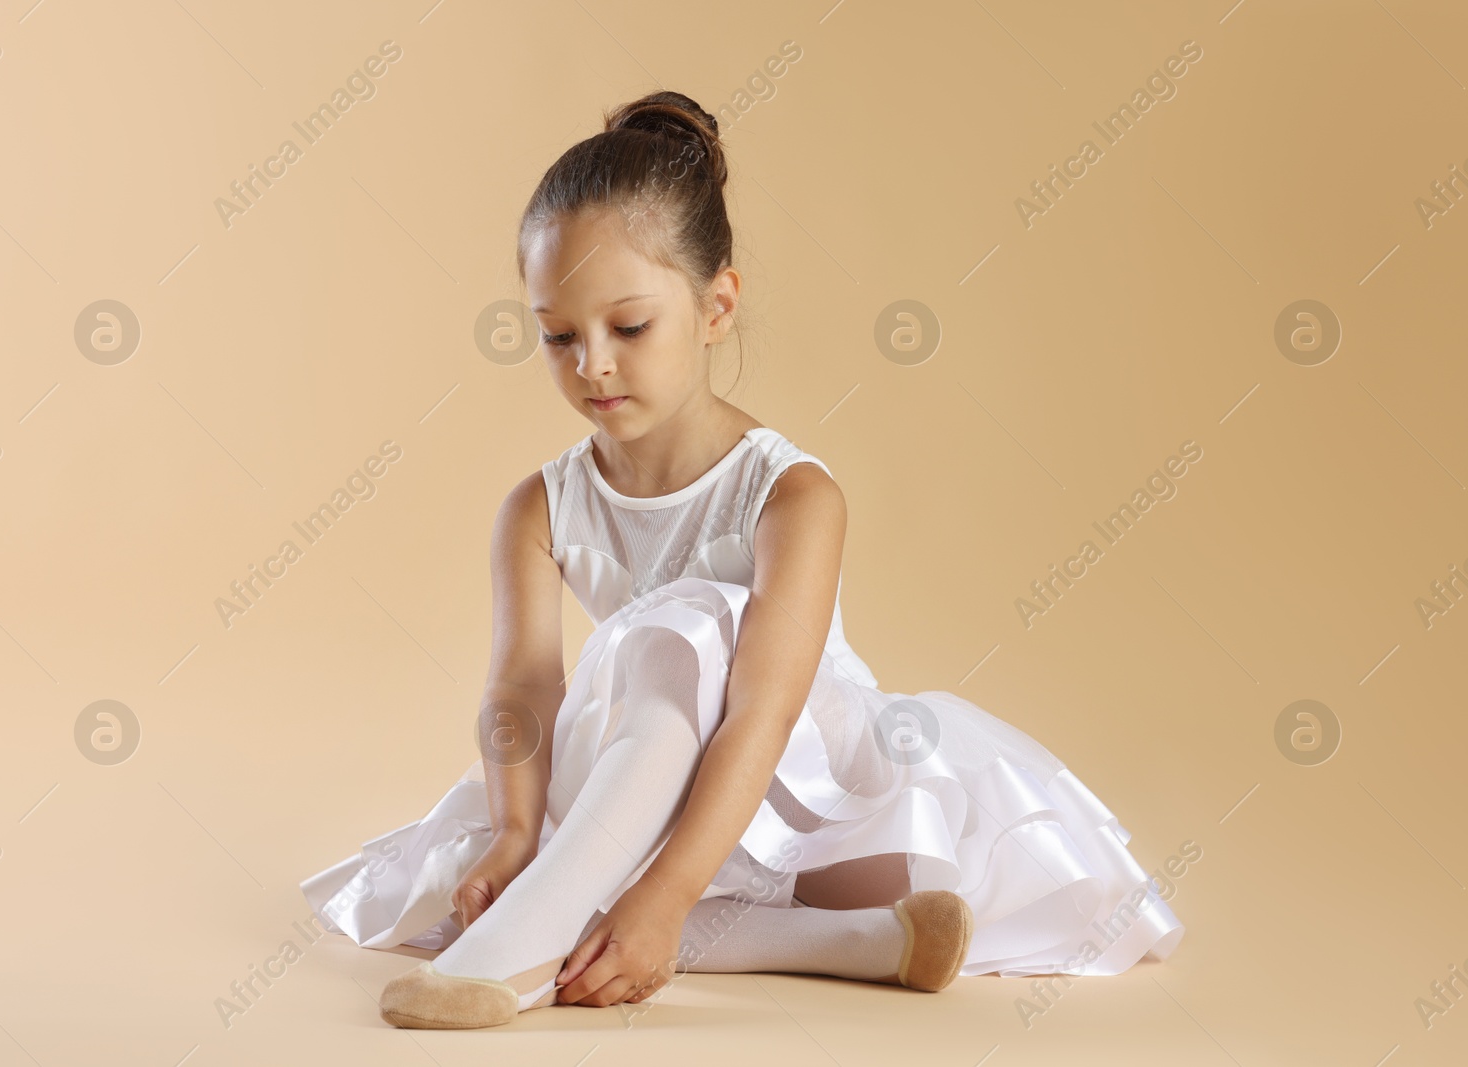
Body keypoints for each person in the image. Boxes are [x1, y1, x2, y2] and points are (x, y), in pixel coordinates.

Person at [300, 89, 1184, 1030]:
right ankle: (878, 942)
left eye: (628, 328)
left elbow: (765, 709)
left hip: (800, 779)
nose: (591, 364)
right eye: (558, 336)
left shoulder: (792, 497)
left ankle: (510, 962)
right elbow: (521, 690)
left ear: (717, 306)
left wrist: (670, 891)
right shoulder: (538, 507)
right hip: (651, 771)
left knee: (687, 619)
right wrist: (518, 829)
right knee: (501, 856)